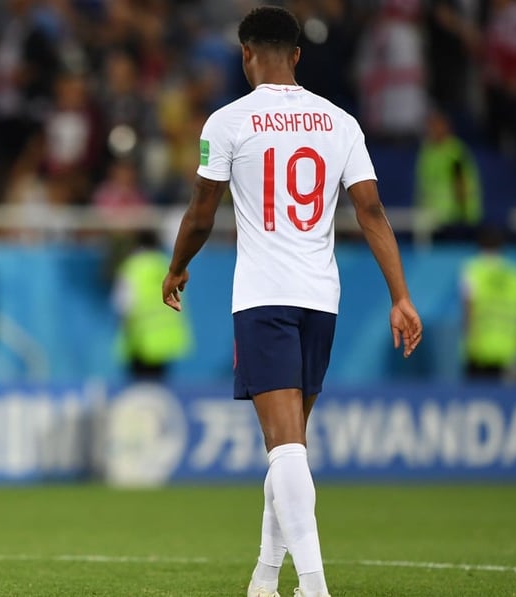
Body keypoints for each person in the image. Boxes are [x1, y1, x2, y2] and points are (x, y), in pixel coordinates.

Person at [160, 8, 422, 597]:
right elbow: (372, 211)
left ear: (245, 53)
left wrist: (178, 266)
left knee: (284, 451)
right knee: (291, 449)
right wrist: (400, 295)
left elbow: (202, 211)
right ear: (297, 55)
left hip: (264, 299)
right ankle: (264, 577)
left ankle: (314, 586)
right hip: (320, 300)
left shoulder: (227, 121)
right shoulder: (340, 122)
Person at [113, 229, 191, 381]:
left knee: (142, 391)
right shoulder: (166, 265)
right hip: (166, 337)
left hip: (141, 339)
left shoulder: (133, 267)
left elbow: (122, 303)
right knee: (159, 387)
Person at [461, 227, 516, 380]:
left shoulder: (474, 269)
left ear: (479, 245)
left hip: (479, 349)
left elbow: (468, 306)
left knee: (477, 396)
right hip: (510, 348)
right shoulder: (515, 273)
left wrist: (469, 335)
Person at [414, 110, 482, 241]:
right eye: (431, 126)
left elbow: (461, 182)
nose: (434, 129)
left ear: (447, 127)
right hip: (433, 218)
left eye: (438, 125)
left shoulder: (455, 151)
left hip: (455, 217)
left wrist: (463, 217)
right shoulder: (427, 152)